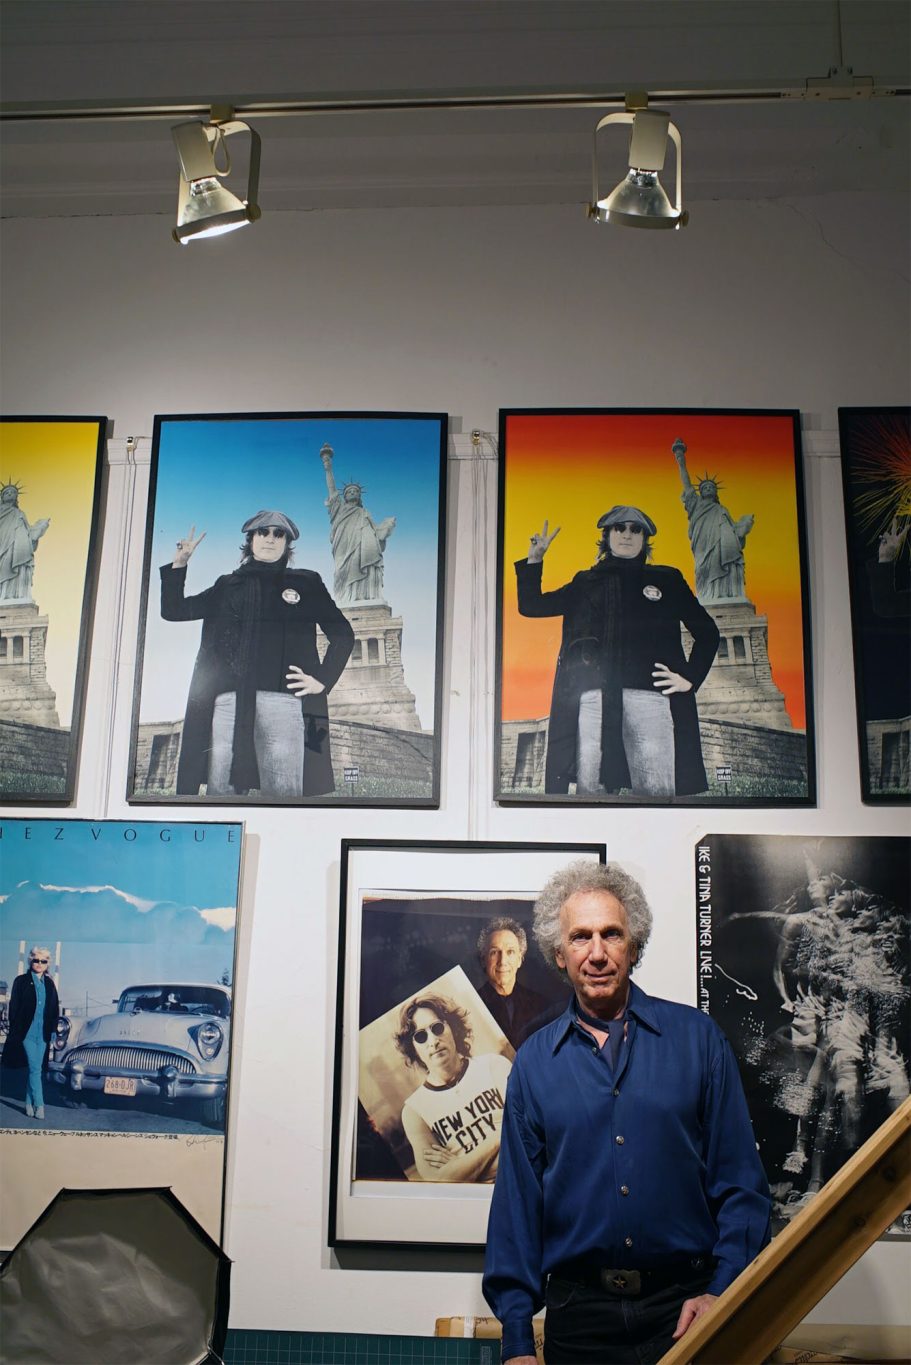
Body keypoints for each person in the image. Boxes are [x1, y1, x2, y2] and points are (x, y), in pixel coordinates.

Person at [483, 860, 771, 1365]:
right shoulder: (533, 1063)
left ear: (633, 946)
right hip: (578, 1319)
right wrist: (517, 1340)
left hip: (686, 1313)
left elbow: (741, 1185)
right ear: (559, 954)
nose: (597, 953)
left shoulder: (699, 1041)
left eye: (611, 934)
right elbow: (517, 1207)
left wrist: (722, 1291)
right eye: (580, 937)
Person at [516, 506, 719, 798]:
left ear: (644, 539)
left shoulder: (667, 580)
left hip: (651, 698)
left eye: (636, 530)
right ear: (607, 535)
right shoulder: (585, 582)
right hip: (594, 699)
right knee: (592, 791)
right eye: (619, 528)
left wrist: (690, 677)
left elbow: (708, 632)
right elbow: (532, 606)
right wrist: (535, 559)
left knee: (657, 792)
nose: (627, 534)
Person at [160, 511, 354, 798]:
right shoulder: (227, 586)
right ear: (251, 540)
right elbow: (174, 610)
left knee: (284, 794)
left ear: (286, 543)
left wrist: (323, 680)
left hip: (284, 702)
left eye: (279, 534)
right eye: (263, 532)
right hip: (229, 703)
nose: (270, 539)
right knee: (222, 793)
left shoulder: (306, 583)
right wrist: (180, 564)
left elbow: (343, 634)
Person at [394, 994, 512, 1183]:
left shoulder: (494, 1066)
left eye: (437, 1028)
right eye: (421, 1036)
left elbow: (528, 1131)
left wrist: (462, 1169)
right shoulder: (414, 1112)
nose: (433, 1041)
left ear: (453, 1028)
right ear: (413, 1048)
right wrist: (501, 1135)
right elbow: (439, 1182)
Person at [672, 439, 755, 602]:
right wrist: (680, 459)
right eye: (705, 487)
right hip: (702, 542)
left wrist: (743, 527)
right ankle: (707, 595)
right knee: (703, 568)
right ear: (701, 492)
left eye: (711, 487)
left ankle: (727, 593)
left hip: (722, 545)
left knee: (726, 560)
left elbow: (734, 532)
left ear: (715, 492)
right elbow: (686, 483)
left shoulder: (721, 509)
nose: (708, 488)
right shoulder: (695, 504)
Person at [321, 442, 396, 605]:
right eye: (349, 491)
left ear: (359, 496)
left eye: (355, 491)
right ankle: (346, 597)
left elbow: (375, 532)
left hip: (362, 546)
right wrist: (328, 466)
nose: (352, 492)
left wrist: (385, 529)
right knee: (342, 571)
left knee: (365, 564)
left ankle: (365, 596)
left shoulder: (364, 513)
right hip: (343, 544)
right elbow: (332, 488)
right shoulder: (339, 508)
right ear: (344, 496)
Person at [1, 946, 60, 1120]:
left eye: (43, 961)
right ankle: (39, 1105)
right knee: (35, 1068)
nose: (39, 964)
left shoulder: (49, 984)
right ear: (30, 961)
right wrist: (16, 1030)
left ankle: (28, 1103)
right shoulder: (21, 981)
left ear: (47, 963)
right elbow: (14, 1007)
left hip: (43, 1034)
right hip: (26, 1033)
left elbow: (54, 1009)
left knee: (36, 1070)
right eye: (36, 960)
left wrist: (53, 1030)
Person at [477, 917, 549, 1050]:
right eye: (494, 952)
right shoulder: (471, 1006)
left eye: (510, 952)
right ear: (483, 960)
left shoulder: (541, 1005)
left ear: (520, 960)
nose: (502, 961)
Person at [0, 482, 50, 602]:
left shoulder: (20, 513)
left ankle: (14, 594)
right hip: (3, 545)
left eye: (13, 492)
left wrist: (40, 527)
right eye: (6, 493)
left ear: (16, 497)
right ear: (2, 497)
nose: (9, 494)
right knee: (4, 566)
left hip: (17, 546)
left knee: (17, 566)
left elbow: (28, 532)